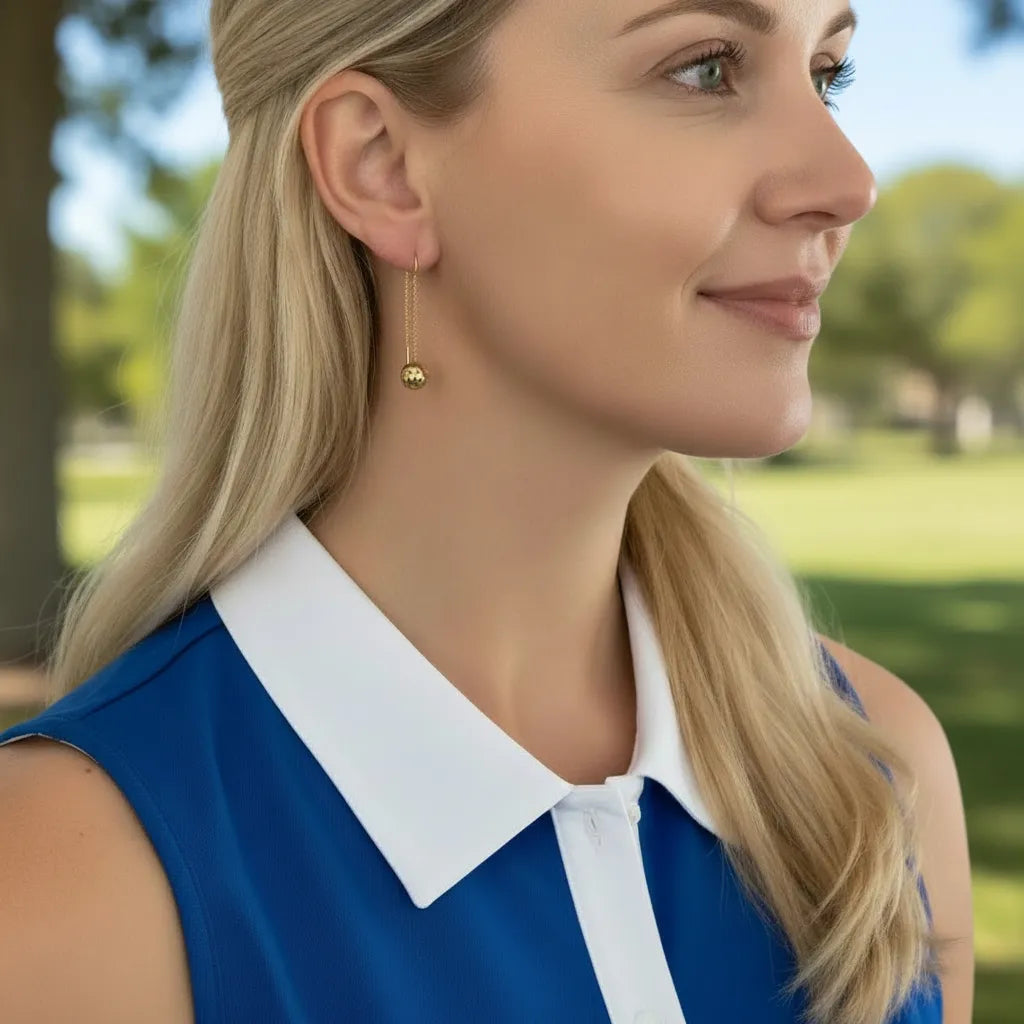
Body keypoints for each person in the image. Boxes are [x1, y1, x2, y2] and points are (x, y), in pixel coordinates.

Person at [0, 0, 974, 1021]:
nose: (847, 182)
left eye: (828, 74)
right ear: (380, 164)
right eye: (706, 68)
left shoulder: (870, 772)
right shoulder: (66, 893)